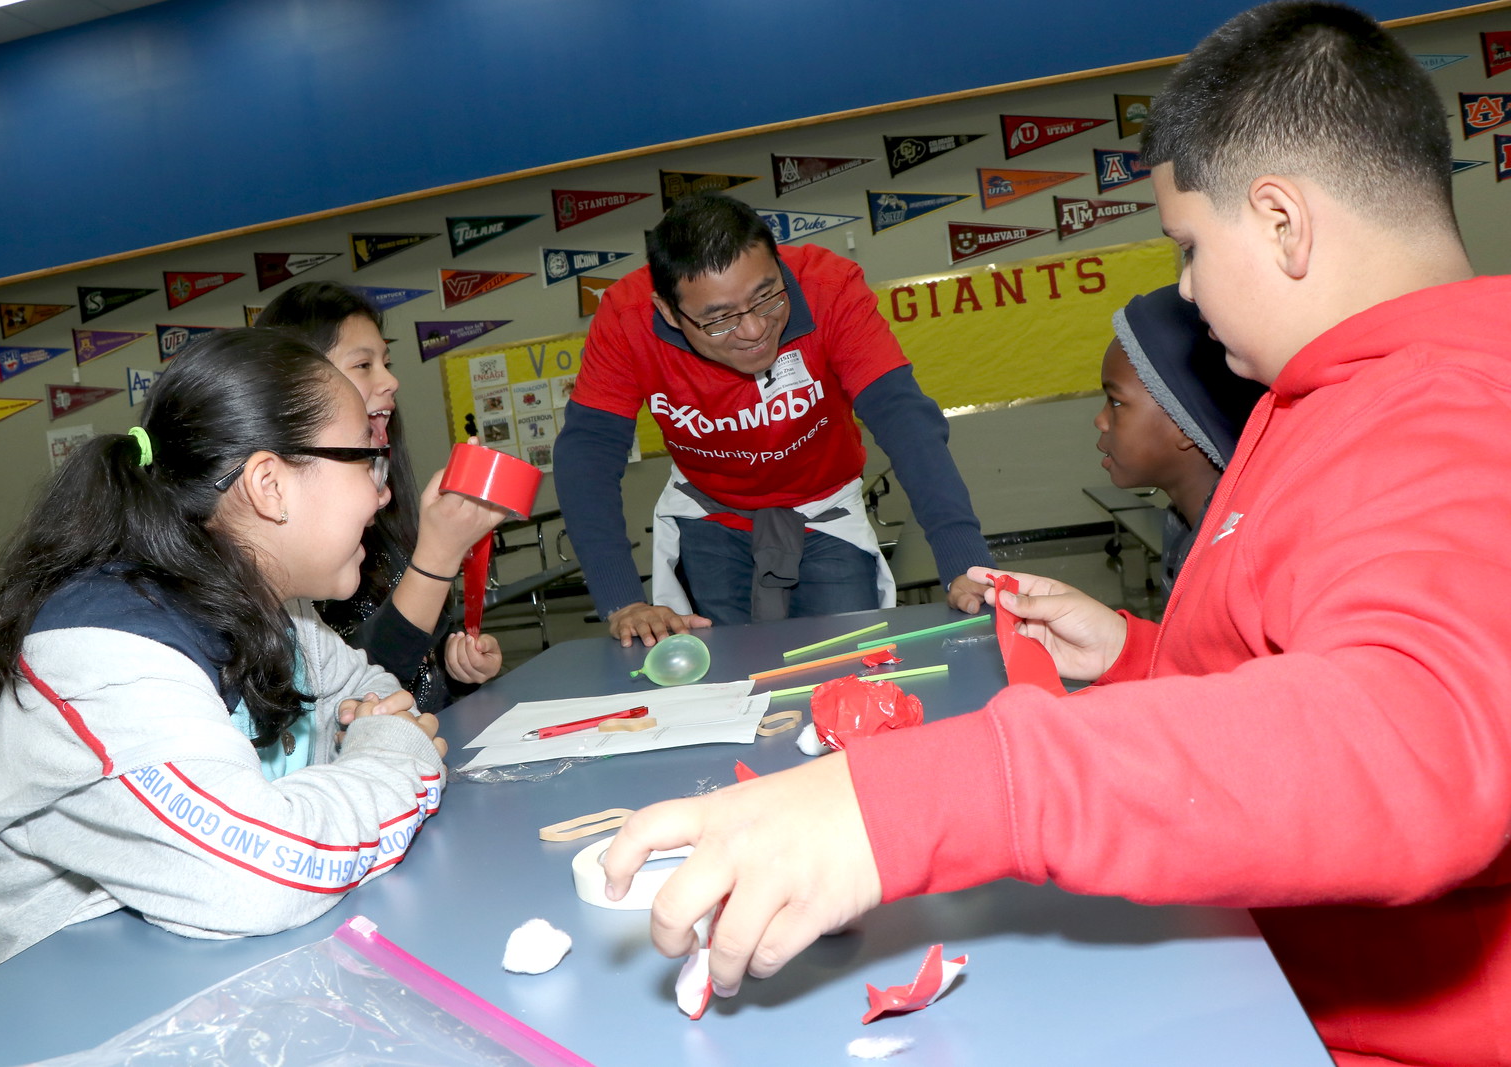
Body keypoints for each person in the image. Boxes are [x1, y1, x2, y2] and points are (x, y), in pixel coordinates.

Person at [601, 5, 1511, 1064]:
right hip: (1244, 954)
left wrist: (918, 800)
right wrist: (1135, 653)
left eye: (1187, 248)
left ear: (1280, 223)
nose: (1183, 287)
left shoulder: (1453, 410)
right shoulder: (1319, 396)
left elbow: (1412, 741)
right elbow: (1302, 666)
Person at [0, 329, 449, 967]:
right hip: (94, 1005)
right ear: (270, 484)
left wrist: (374, 738)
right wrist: (394, 757)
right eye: (366, 460)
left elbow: (376, 692)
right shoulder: (103, 655)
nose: (383, 493)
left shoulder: (278, 611)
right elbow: (258, 879)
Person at [553, 192, 995, 647]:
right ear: (667, 311)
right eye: (719, 320)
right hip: (711, 511)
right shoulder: (627, 319)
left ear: (780, 266)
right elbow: (587, 452)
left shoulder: (830, 287)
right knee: (727, 674)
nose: (753, 329)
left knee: (847, 663)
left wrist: (964, 563)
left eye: (766, 297)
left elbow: (904, 418)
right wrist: (623, 601)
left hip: (825, 506)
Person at [255, 283, 506, 712]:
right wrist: (437, 557)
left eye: (385, 362)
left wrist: (454, 662)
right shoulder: (286, 543)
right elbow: (345, 697)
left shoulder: (387, 505)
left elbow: (412, 664)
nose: (391, 381)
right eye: (363, 364)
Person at [1095, 284, 1264, 592]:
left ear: (1184, 423)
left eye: (1116, 402)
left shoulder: (1245, 570)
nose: (1100, 420)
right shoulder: (1186, 536)